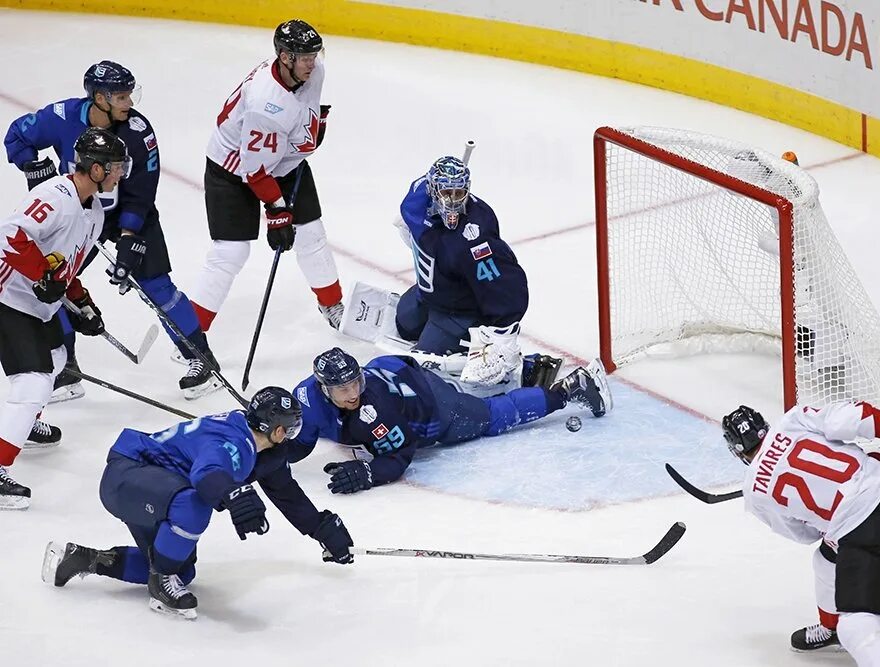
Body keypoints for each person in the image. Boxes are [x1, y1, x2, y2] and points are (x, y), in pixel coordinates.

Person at [3, 60, 222, 399]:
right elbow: (17, 135)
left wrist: (129, 237)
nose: (129, 103)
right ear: (99, 98)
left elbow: (142, 191)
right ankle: (66, 369)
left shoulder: (137, 130)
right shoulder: (62, 115)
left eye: (129, 95)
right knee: (53, 281)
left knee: (157, 285)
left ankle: (200, 358)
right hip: (79, 210)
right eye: (120, 96)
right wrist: (32, 164)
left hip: (127, 216)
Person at [40, 386, 355, 620]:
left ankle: (83, 559)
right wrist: (233, 494)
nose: (292, 435)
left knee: (182, 570)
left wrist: (321, 529)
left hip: (150, 489)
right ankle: (161, 581)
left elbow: (285, 490)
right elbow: (207, 476)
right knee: (195, 504)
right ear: (277, 429)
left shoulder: (257, 445)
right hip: (128, 478)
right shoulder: (233, 442)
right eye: (292, 427)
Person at [722, 401, 880, 665]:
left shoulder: (754, 493)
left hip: (870, 530)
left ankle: (844, 629)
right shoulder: (793, 420)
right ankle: (830, 628)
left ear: (737, 451)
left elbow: (804, 535)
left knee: (857, 625)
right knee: (825, 560)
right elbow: (858, 416)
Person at [189, 19, 344, 334]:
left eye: (315, 55)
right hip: (233, 171)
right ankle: (190, 334)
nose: (312, 63)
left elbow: (302, 114)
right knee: (230, 252)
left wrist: (312, 133)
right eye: (305, 57)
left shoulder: (313, 72)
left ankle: (332, 304)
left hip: (281, 162)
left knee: (312, 233)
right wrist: (276, 211)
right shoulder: (266, 103)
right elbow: (255, 171)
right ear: (285, 57)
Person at [288, 347, 611, 494]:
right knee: (459, 384)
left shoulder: (375, 411)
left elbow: (401, 455)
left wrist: (369, 472)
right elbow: (301, 439)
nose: (354, 392)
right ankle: (511, 370)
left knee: (490, 416)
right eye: (344, 388)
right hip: (394, 367)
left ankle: (569, 390)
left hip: (434, 410)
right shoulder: (306, 397)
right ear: (323, 388)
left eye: (356, 382)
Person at [0, 128, 124, 509]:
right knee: (33, 380)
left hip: (37, 304)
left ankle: (22, 426)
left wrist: (81, 302)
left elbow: (62, 266)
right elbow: (10, 237)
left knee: (56, 361)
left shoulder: (95, 212)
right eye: (116, 167)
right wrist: (42, 276)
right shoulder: (55, 196)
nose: (121, 174)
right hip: (8, 296)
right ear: (97, 169)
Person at [394, 155, 529, 387]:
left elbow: (506, 287)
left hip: (459, 311)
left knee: (426, 367)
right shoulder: (416, 198)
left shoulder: (475, 239)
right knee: (404, 323)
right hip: (430, 295)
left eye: (459, 194)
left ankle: (529, 366)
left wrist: (503, 336)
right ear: (432, 189)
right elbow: (412, 226)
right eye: (447, 193)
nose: (453, 201)